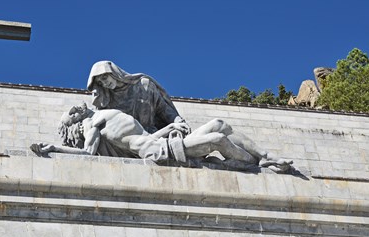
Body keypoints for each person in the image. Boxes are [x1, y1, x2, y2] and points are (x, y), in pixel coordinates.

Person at [31, 103, 293, 173]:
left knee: (220, 124)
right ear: (75, 123)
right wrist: (55, 147)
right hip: (160, 153)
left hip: (160, 142)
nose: (75, 108)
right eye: (71, 114)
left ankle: (266, 157)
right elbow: (89, 155)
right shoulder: (93, 124)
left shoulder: (102, 113)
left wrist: (166, 130)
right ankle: (252, 163)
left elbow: (142, 137)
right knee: (216, 139)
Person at [87, 61, 189, 135]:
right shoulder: (106, 101)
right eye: (100, 83)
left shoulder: (143, 84)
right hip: (127, 139)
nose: (105, 83)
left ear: (113, 72)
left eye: (104, 77)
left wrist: (178, 121)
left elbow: (163, 109)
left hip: (152, 135)